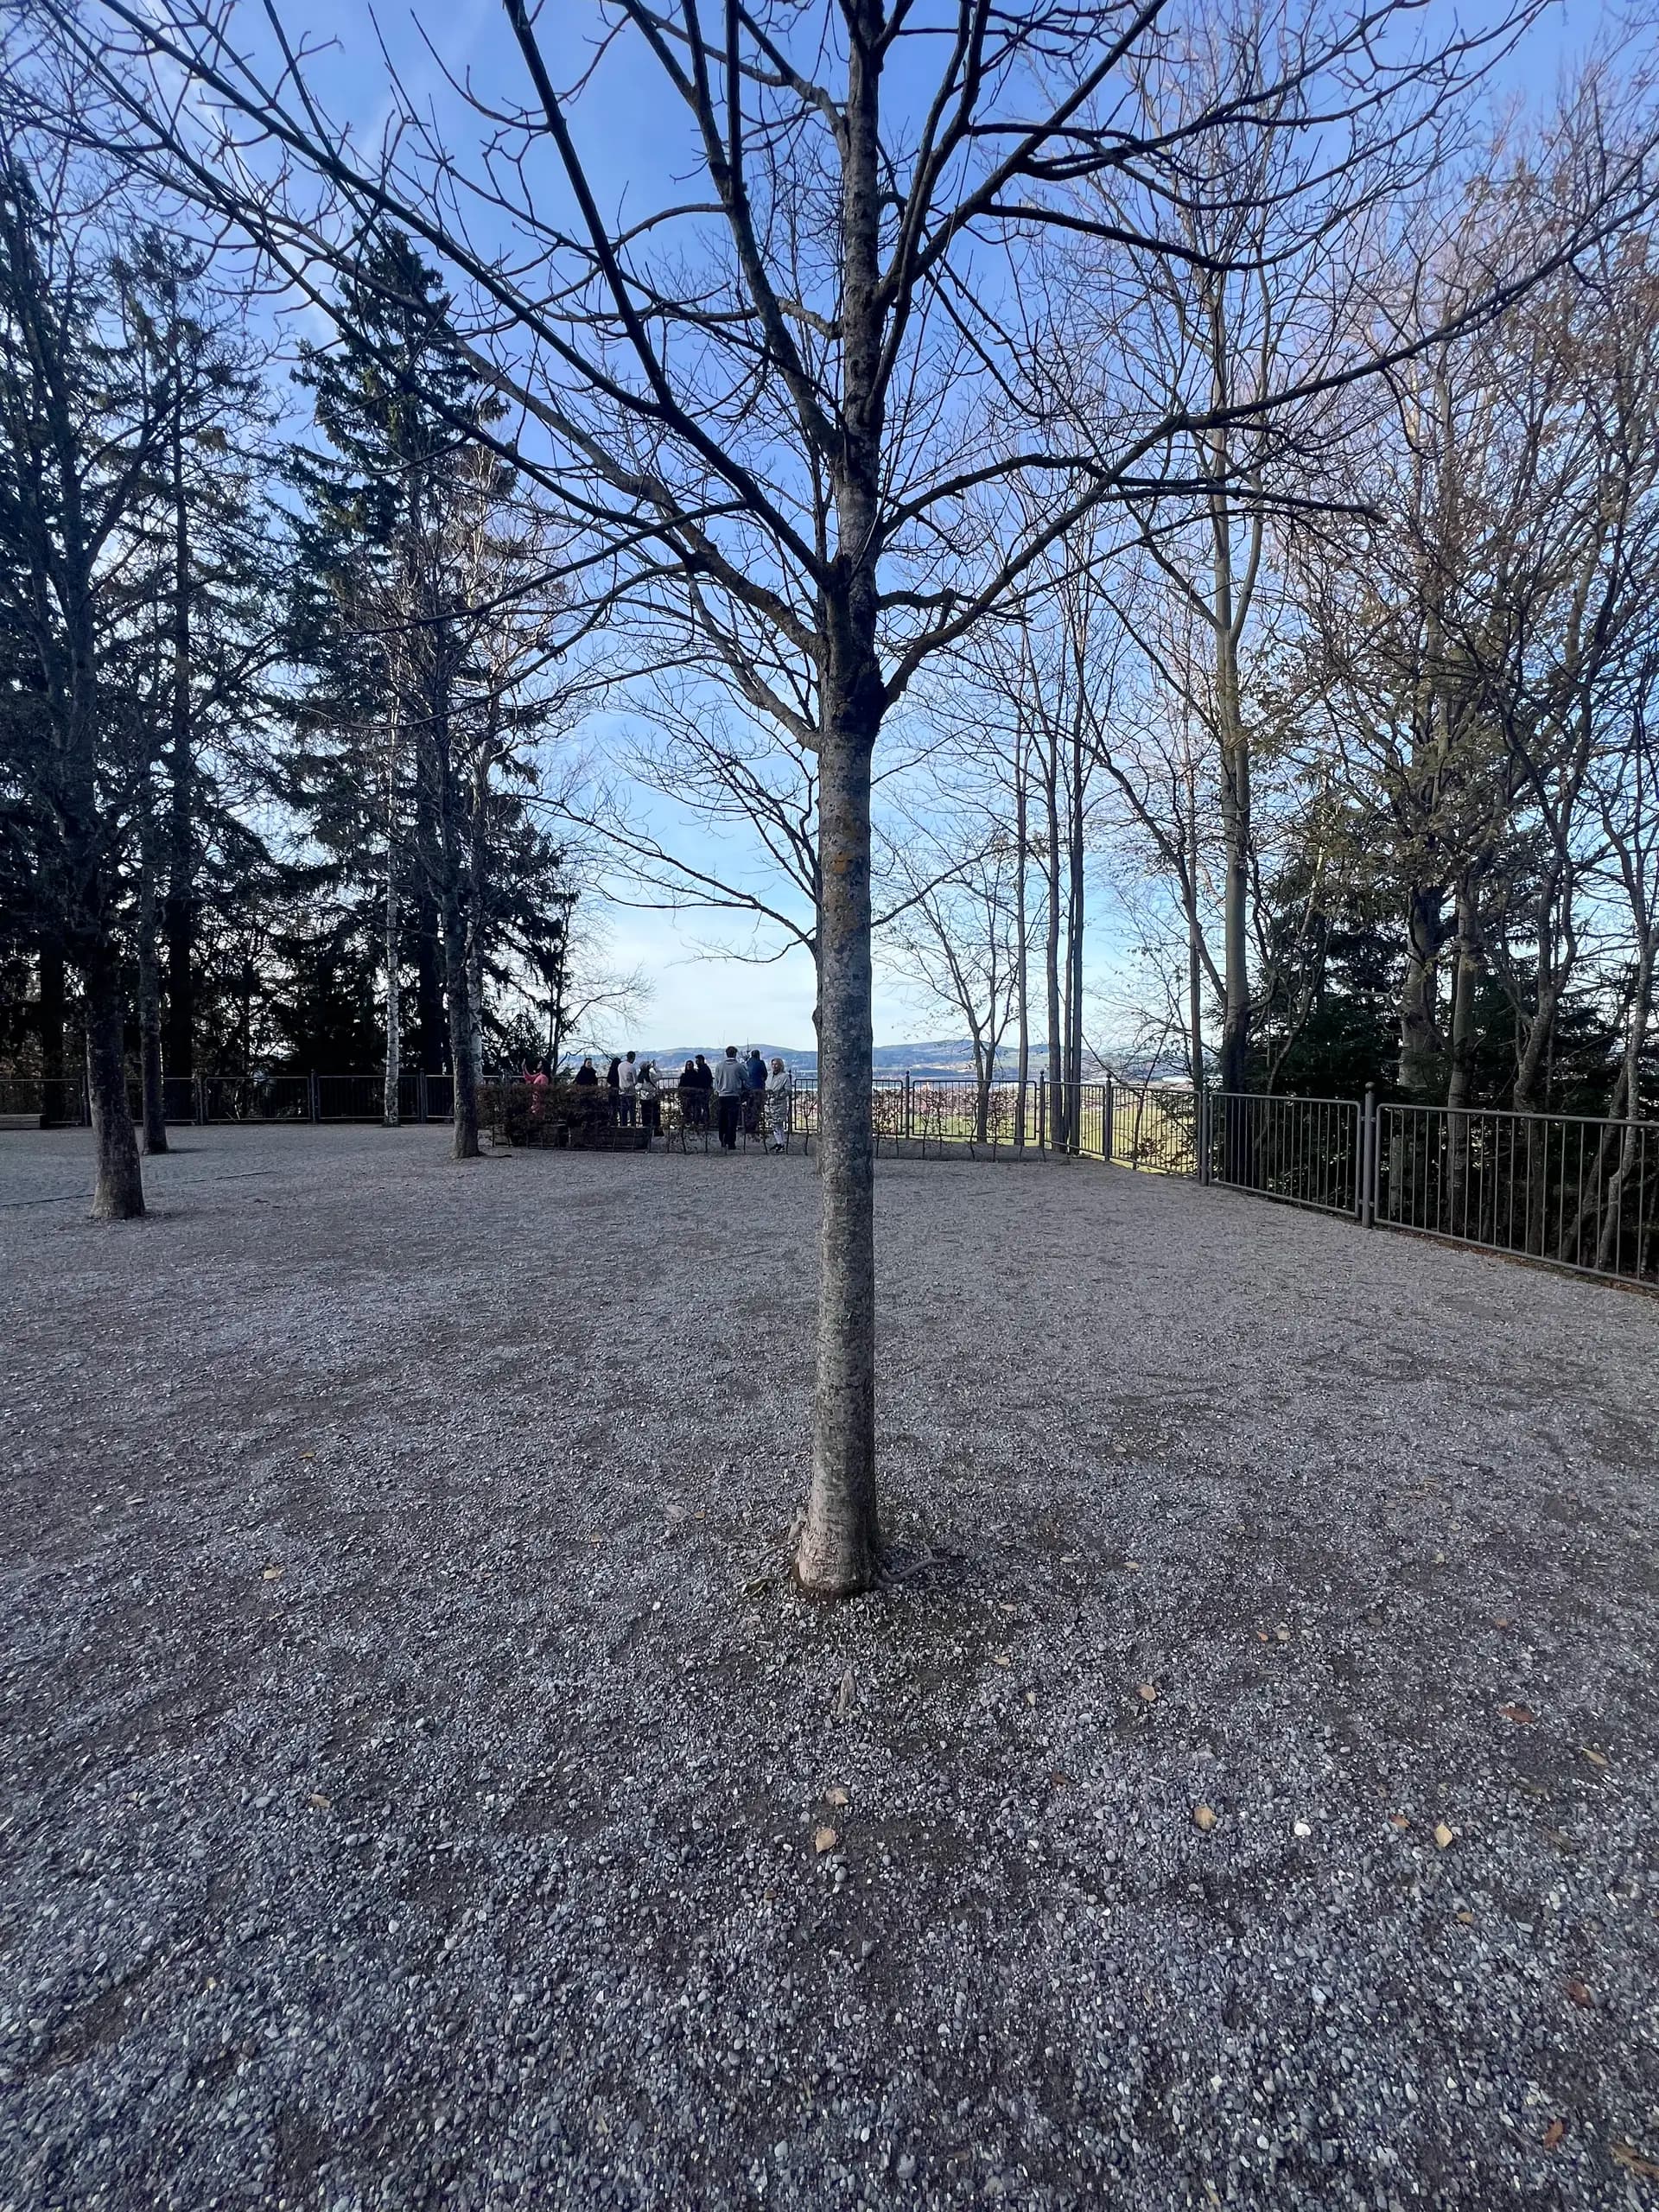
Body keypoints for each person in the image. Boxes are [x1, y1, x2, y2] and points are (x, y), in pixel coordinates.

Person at [711, 1044, 747, 1150]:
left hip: (722, 1095)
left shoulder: (719, 1066)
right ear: (735, 1054)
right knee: (733, 1120)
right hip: (734, 1095)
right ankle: (731, 1142)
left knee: (722, 1119)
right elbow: (746, 1077)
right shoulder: (738, 1066)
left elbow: (716, 1081)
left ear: (726, 1054)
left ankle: (722, 1139)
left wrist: (718, 1090)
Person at [765, 1056, 791, 1152]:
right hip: (770, 1103)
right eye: (773, 1064)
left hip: (779, 1103)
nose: (774, 1066)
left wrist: (779, 1095)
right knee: (774, 1124)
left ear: (780, 1065)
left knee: (778, 1124)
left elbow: (788, 1090)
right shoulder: (769, 1076)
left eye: (776, 1064)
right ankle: (780, 1142)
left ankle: (781, 1143)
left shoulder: (785, 1077)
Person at [637, 1061, 661, 1139]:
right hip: (653, 1097)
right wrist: (655, 1068)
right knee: (656, 1115)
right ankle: (657, 1131)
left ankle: (646, 1131)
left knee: (645, 1116)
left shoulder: (639, 1076)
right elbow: (659, 1076)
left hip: (643, 1098)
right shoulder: (651, 1074)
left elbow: (638, 1087)